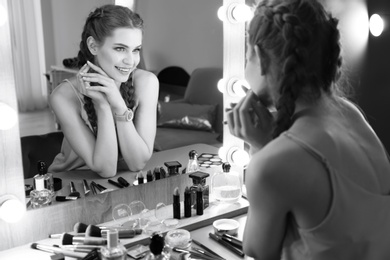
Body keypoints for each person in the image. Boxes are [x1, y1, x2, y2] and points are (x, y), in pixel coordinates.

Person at [226, 0, 390, 259]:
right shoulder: (351, 115)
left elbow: (256, 251)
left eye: (246, 56)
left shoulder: (273, 164)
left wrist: (260, 149)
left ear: (258, 57)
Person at [49, 5, 159, 178]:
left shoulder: (147, 83)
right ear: (93, 46)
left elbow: (137, 163)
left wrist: (118, 104)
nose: (130, 61)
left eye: (136, 49)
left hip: (125, 179)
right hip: (74, 181)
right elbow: (106, 169)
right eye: (120, 48)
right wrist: (102, 106)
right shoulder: (63, 96)